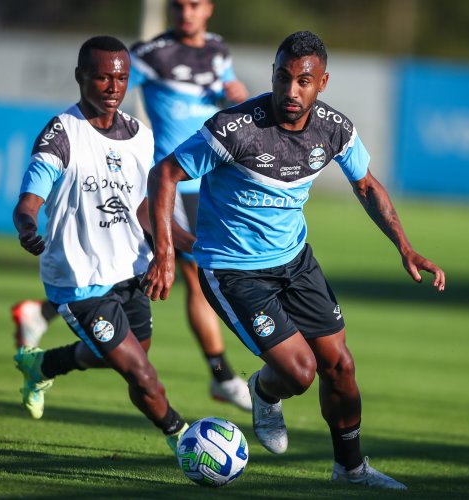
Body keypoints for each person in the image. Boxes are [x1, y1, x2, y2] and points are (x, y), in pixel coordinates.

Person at [145, 31, 446, 489]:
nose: (291, 90)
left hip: (295, 261)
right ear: (273, 75)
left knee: (340, 365)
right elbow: (164, 173)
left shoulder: (334, 129)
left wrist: (404, 246)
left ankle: (351, 469)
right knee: (299, 372)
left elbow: (366, 185)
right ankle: (265, 391)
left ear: (321, 82)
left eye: (303, 81)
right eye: (283, 78)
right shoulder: (234, 129)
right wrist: (166, 254)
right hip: (234, 271)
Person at [11, 0, 252, 412]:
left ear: (209, 8)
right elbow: (109, 88)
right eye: (178, 5)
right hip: (168, 180)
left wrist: (237, 96)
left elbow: (229, 97)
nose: (185, 12)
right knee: (192, 275)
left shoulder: (218, 51)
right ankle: (222, 376)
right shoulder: (150, 54)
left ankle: (43, 327)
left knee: (134, 335)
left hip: (206, 182)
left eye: (194, 4)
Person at [12, 35, 189, 453]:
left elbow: (144, 209)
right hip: (79, 281)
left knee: (123, 356)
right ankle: (187, 441)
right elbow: (27, 202)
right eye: (102, 78)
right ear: (80, 77)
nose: (113, 88)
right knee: (142, 374)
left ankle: (42, 364)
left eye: (121, 78)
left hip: (130, 271)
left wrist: (187, 245)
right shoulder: (61, 134)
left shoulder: (141, 138)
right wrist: (26, 226)